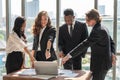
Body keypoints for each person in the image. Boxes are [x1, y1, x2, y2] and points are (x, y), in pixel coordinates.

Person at [62, 9, 117, 80]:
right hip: (102, 64)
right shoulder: (102, 27)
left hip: (100, 65)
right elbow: (112, 42)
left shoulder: (98, 30)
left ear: (93, 19)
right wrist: (112, 53)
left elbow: (84, 44)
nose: (86, 22)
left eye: (87, 20)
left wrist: (68, 56)